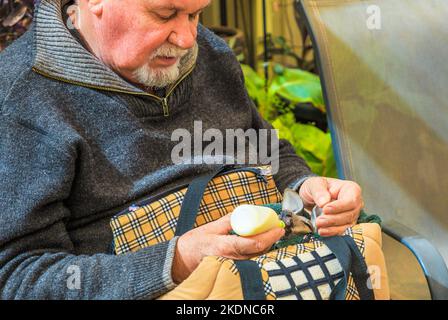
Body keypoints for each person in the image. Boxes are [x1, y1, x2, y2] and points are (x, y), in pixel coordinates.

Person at [0, 0, 364, 299]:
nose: (189, 38)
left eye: (196, 14)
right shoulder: (19, 99)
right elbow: (17, 278)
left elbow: (264, 148)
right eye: (165, 14)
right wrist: (176, 261)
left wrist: (306, 186)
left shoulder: (210, 53)